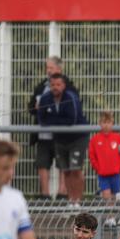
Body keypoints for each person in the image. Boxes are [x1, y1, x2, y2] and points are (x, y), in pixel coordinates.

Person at [28, 56, 79, 198]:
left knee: (62, 162)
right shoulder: (41, 86)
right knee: (42, 162)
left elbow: (74, 106)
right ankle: (45, 195)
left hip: (62, 133)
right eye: (47, 68)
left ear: (59, 69)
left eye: (51, 68)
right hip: (43, 133)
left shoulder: (69, 86)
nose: (48, 71)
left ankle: (62, 193)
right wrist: (36, 107)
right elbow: (31, 107)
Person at [36, 73, 88, 207]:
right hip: (59, 139)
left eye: (58, 84)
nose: (55, 87)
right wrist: (58, 122)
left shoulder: (71, 97)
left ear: (64, 85)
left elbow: (72, 120)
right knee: (66, 171)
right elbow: (42, 120)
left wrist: (53, 121)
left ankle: (78, 201)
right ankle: (71, 201)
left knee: (76, 169)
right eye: (52, 85)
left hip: (77, 138)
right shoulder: (45, 98)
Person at [88, 111, 120, 227]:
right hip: (103, 174)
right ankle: (110, 217)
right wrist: (98, 168)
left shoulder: (118, 138)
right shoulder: (95, 139)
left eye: (108, 122)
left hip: (115, 173)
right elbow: (92, 155)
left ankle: (112, 217)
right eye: (104, 122)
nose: (106, 125)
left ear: (112, 123)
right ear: (100, 123)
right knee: (107, 194)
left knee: (113, 195)